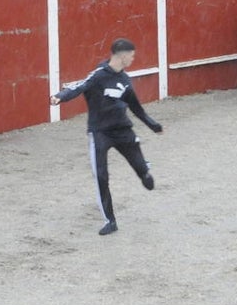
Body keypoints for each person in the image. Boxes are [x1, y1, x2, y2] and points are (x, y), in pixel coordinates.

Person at [50, 37, 163, 235]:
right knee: (101, 176)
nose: (133, 59)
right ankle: (110, 220)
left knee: (140, 168)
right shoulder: (98, 76)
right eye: (132, 56)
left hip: (122, 131)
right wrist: (60, 96)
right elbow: (78, 87)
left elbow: (136, 107)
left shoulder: (125, 81)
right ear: (123, 56)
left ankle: (144, 171)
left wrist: (153, 125)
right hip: (99, 132)